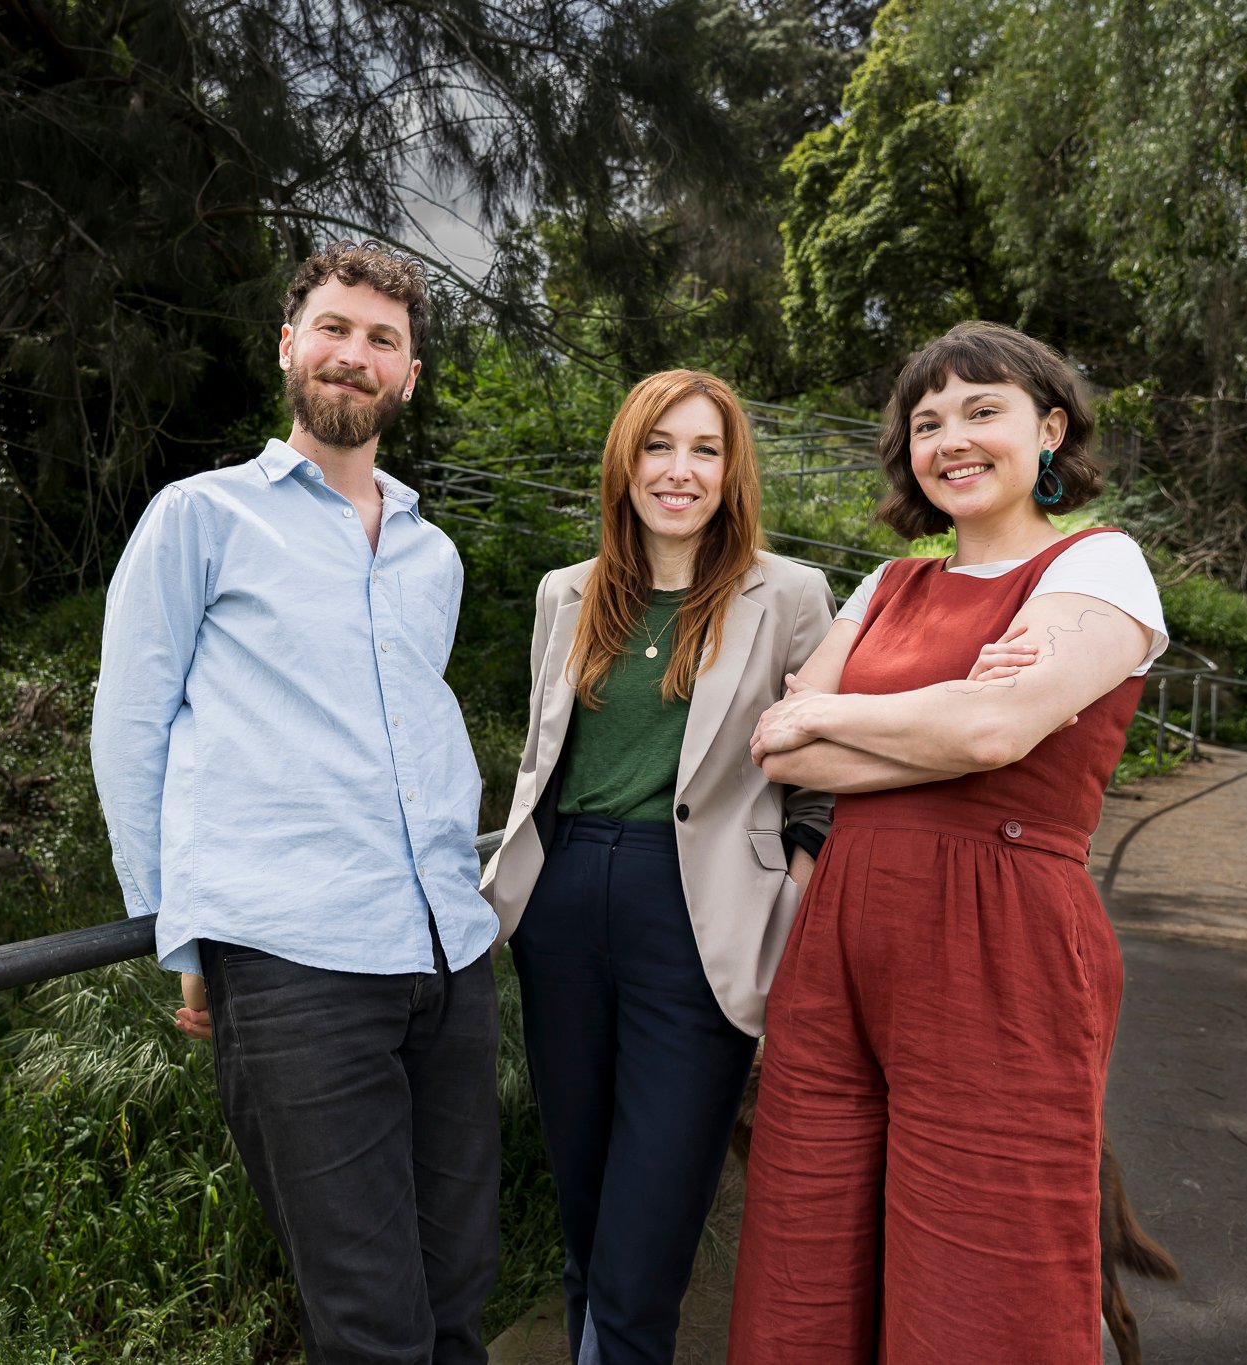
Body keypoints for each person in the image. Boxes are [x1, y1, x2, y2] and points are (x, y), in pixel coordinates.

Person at [726, 321, 1170, 1363]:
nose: (951, 440)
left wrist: (859, 716)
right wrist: (951, 720)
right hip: (838, 940)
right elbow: (784, 752)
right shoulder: (887, 586)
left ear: (1048, 430)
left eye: (982, 411)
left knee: (983, 1264)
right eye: (927, 423)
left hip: (1000, 937)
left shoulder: (1099, 563)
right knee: (806, 1238)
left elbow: (991, 728)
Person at [90, 241, 499, 1365]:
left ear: (408, 376)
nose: (353, 357)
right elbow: (129, 728)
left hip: (449, 955)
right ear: (287, 345)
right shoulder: (199, 519)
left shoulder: (433, 555)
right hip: (292, 963)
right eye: (333, 329)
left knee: (459, 1289)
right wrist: (176, 927)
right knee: (370, 1325)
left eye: (382, 341)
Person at [480, 369, 836, 1365]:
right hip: (561, 913)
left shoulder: (790, 595)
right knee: (586, 1226)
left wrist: (784, 913)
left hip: (698, 920)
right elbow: (540, 760)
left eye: (703, 450)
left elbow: (822, 780)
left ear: (731, 473)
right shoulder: (568, 593)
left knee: (644, 1244)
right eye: (656, 447)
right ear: (623, 462)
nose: (677, 471)